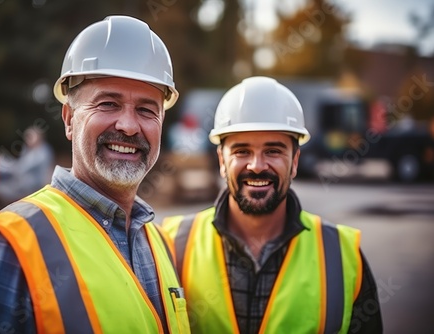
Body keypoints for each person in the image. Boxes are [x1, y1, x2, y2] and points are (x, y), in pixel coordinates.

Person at [0, 15, 190, 333]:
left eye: (146, 110)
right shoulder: (9, 244)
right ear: (69, 119)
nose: (129, 126)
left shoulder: (157, 242)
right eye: (107, 104)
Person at [162, 76, 383, 333]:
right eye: (242, 151)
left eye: (273, 151)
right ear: (222, 161)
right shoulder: (172, 244)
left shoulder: (343, 256)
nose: (257, 166)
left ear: (295, 161)